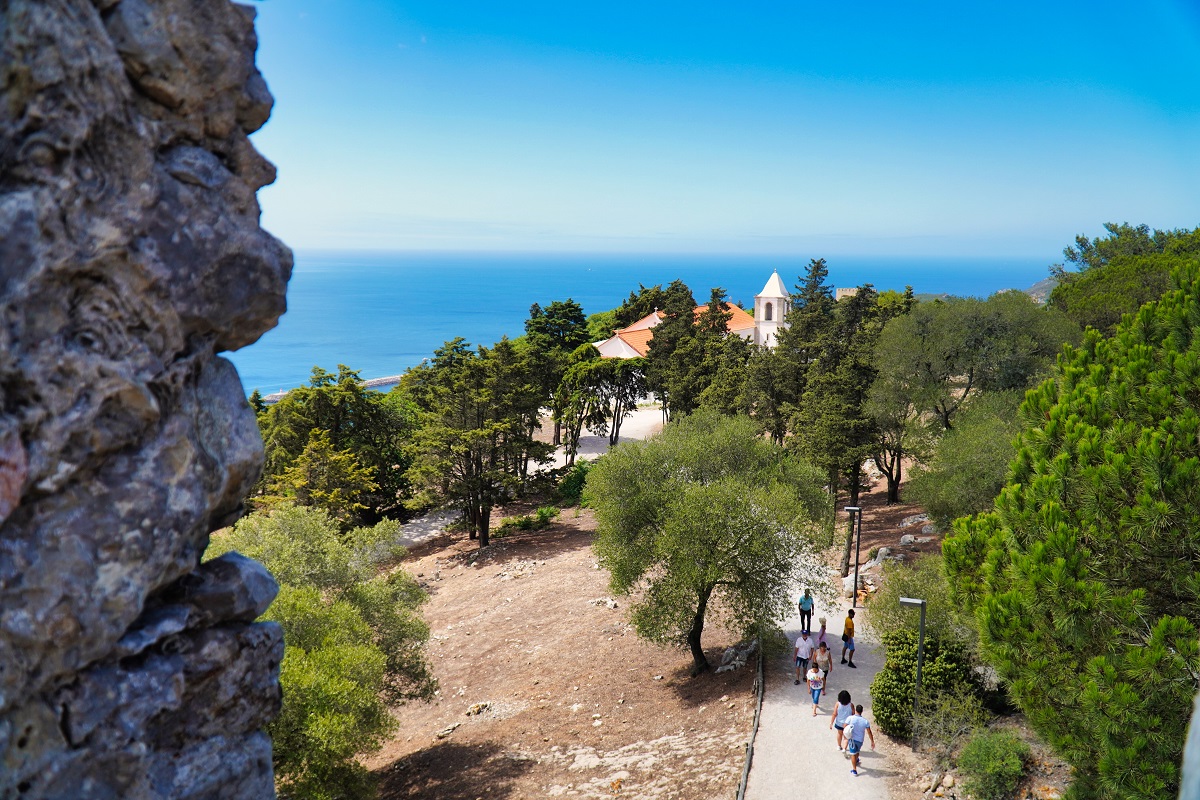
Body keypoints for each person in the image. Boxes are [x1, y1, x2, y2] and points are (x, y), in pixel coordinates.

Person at [845, 704, 875, 776]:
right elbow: (869, 732)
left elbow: (844, 726)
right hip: (860, 740)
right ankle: (856, 760)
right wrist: (872, 741)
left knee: (852, 753)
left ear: (855, 710)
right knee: (857, 751)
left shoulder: (850, 718)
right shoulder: (865, 721)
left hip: (852, 739)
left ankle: (854, 770)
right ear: (862, 711)